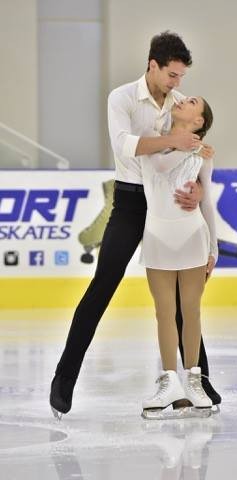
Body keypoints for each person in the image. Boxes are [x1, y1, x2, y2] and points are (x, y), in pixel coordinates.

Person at [50, 31, 221, 418]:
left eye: (182, 78)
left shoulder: (180, 106)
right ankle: (64, 378)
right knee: (104, 282)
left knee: (183, 300)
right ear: (153, 65)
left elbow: (197, 153)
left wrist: (195, 188)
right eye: (172, 75)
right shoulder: (122, 98)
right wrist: (174, 142)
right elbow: (125, 145)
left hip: (172, 206)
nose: (178, 85)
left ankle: (199, 381)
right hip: (130, 201)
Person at [141, 96, 218, 415]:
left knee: (191, 311)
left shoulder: (203, 156)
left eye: (192, 102)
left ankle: (194, 382)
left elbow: (208, 202)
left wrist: (213, 248)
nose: (182, 100)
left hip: (192, 235)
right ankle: (168, 382)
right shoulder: (156, 140)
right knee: (164, 312)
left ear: (198, 121)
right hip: (157, 234)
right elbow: (159, 166)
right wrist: (191, 146)